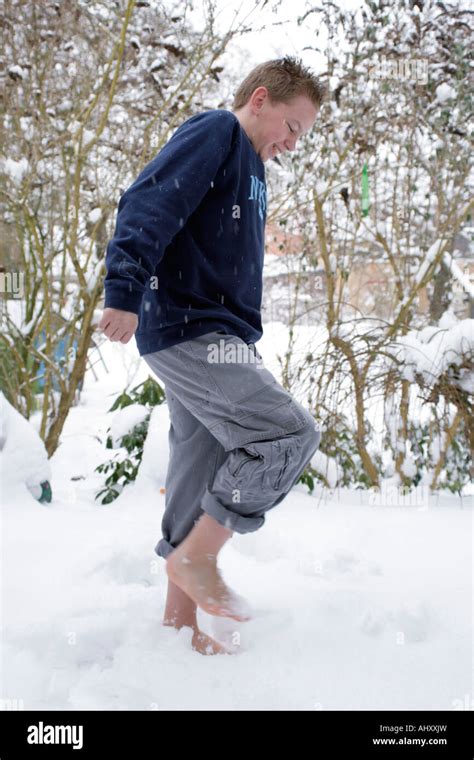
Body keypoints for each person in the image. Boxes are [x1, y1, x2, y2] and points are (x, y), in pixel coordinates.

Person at [99, 56, 324, 655]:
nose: (293, 143)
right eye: (293, 126)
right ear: (259, 99)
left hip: (212, 333)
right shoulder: (216, 132)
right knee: (286, 433)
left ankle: (179, 628)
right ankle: (198, 559)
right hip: (191, 329)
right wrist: (123, 289)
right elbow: (149, 202)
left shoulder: (254, 168)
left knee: (196, 468)